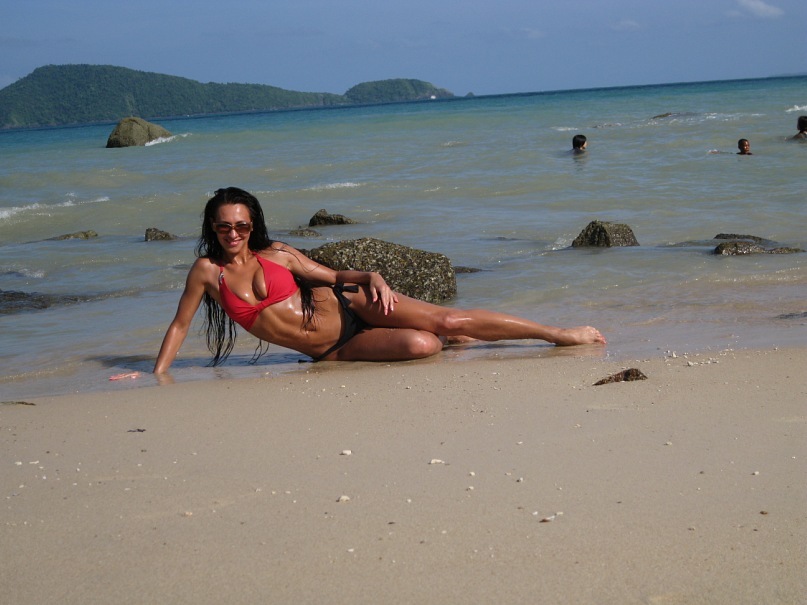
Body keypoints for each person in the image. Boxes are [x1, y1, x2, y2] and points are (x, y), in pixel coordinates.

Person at [153, 187, 606, 373]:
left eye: (241, 225)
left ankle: (556, 334)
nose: (233, 233)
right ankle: (452, 340)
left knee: (448, 321)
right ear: (212, 228)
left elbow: (334, 276)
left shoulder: (278, 254)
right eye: (224, 226)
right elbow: (179, 325)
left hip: (350, 303)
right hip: (333, 349)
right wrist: (156, 375)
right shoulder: (207, 273)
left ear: (253, 225)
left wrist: (371, 276)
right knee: (424, 345)